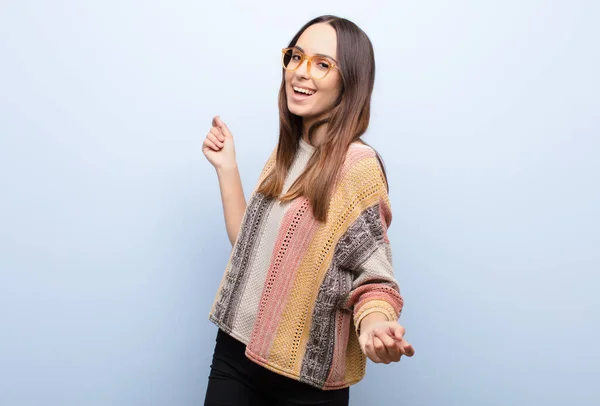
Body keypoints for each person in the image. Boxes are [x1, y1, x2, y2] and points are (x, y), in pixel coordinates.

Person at [201, 15, 414, 406]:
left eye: (322, 64)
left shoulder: (357, 166)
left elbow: (375, 280)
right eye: (296, 57)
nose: (301, 72)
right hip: (234, 350)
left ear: (349, 81)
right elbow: (248, 250)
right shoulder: (286, 152)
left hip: (304, 382)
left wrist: (376, 326)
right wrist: (227, 168)